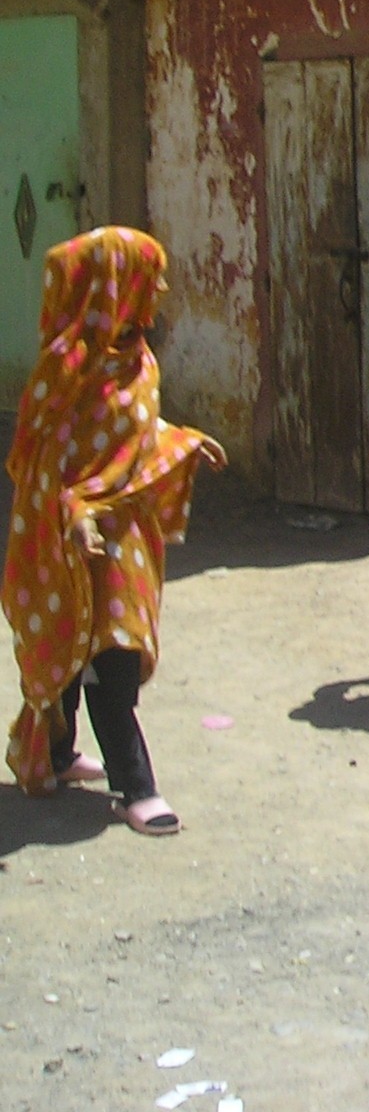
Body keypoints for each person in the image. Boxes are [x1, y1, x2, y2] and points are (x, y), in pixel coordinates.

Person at [5, 229, 224, 834]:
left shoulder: (137, 359)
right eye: (150, 278)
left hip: (124, 536)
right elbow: (39, 462)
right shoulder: (66, 372)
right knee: (107, 657)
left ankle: (55, 754)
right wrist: (74, 511)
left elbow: (134, 438)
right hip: (68, 538)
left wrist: (181, 443)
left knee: (91, 649)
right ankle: (137, 787)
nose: (161, 289)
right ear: (111, 287)